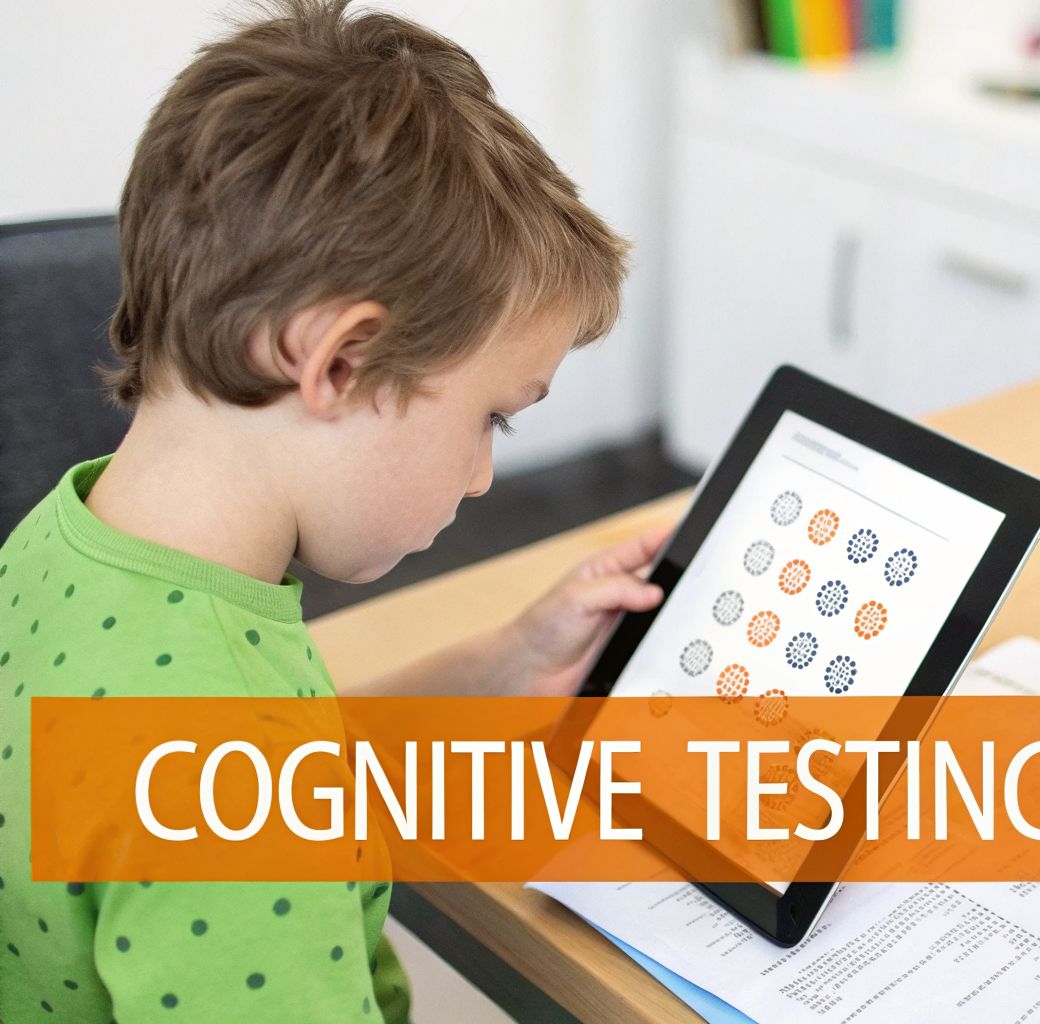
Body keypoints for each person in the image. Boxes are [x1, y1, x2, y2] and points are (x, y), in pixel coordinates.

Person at [0, 2, 666, 1020]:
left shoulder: (71, 540)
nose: (482, 479)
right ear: (340, 364)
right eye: (491, 417)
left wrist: (504, 666)